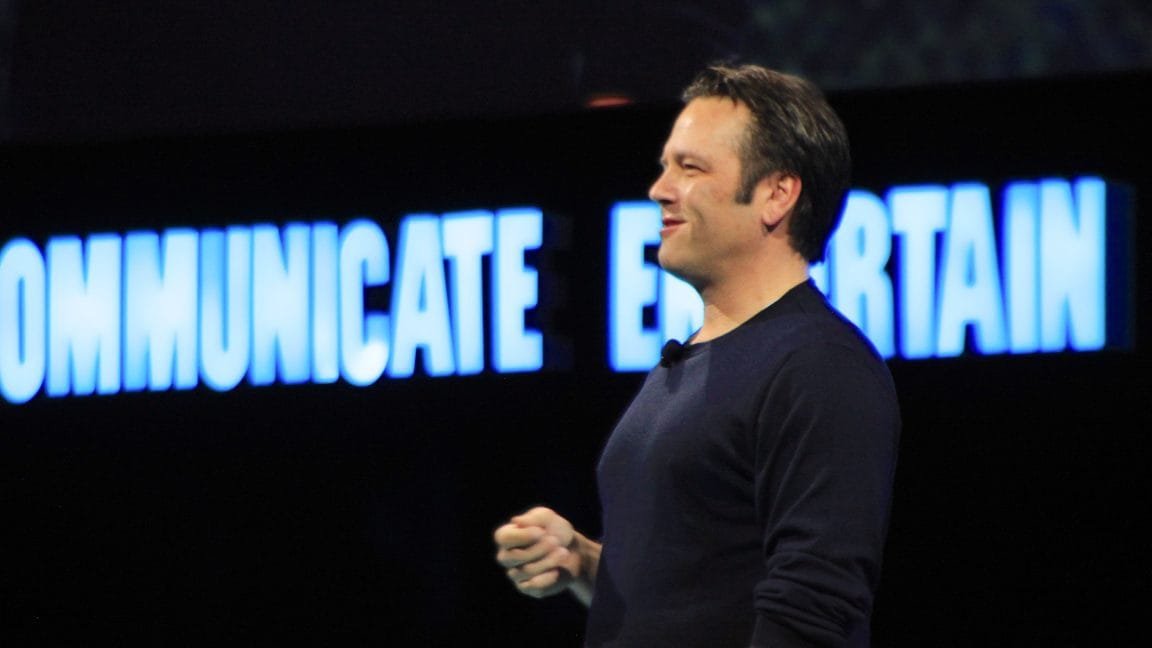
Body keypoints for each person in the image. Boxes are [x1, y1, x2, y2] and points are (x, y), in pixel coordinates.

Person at [494, 63, 900, 647]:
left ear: (776, 195)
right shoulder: (689, 363)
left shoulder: (820, 365)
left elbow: (814, 611)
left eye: (690, 168)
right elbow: (688, 599)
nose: (660, 189)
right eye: (665, 166)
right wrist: (584, 563)